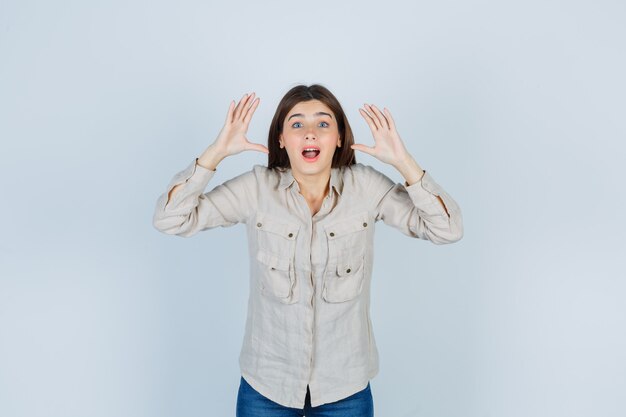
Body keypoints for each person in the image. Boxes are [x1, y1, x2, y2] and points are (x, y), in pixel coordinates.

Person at [152, 84, 464, 416]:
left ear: (340, 137)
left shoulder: (367, 188)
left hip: (346, 388)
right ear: (282, 139)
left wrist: (405, 163)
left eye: (323, 123)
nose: (310, 133)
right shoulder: (256, 188)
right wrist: (215, 153)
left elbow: (447, 229)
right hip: (266, 385)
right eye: (297, 124)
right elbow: (170, 220)